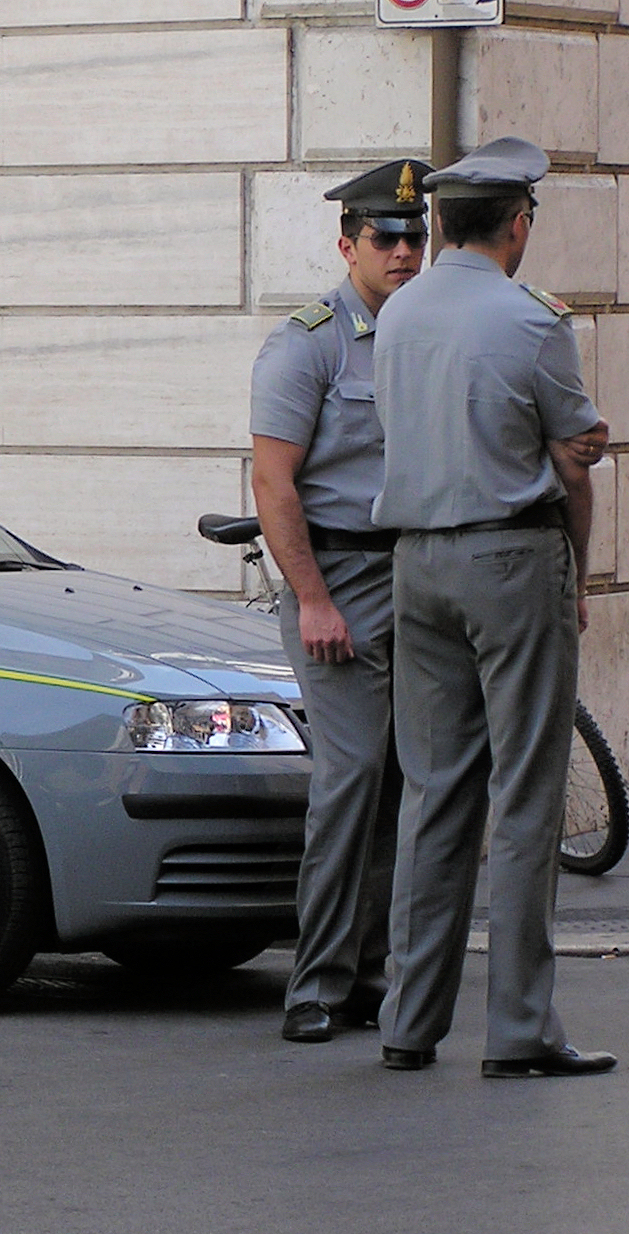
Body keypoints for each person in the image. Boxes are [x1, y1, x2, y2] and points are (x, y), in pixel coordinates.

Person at [370, 136, 614, 1077]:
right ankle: (519, 1031)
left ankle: (409, 1021)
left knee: (433, 796)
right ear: (519, 225)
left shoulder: (396, 315)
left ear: (438, 223)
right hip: (509, 560)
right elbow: (571, 454)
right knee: (523, 798)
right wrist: (581, 575)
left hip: (417, 564)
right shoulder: (531, 322)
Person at [251, 158, 430, 1045]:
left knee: (406, 782)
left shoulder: (427, 333)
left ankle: (369, 975)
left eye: (415, 236)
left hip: (420, 576)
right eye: (385, 238)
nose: (404, 251)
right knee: (351, 779)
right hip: (342, 581)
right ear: (347, 244)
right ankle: (315, 985)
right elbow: (274, 483)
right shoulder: (310, 340)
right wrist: (313, 599)